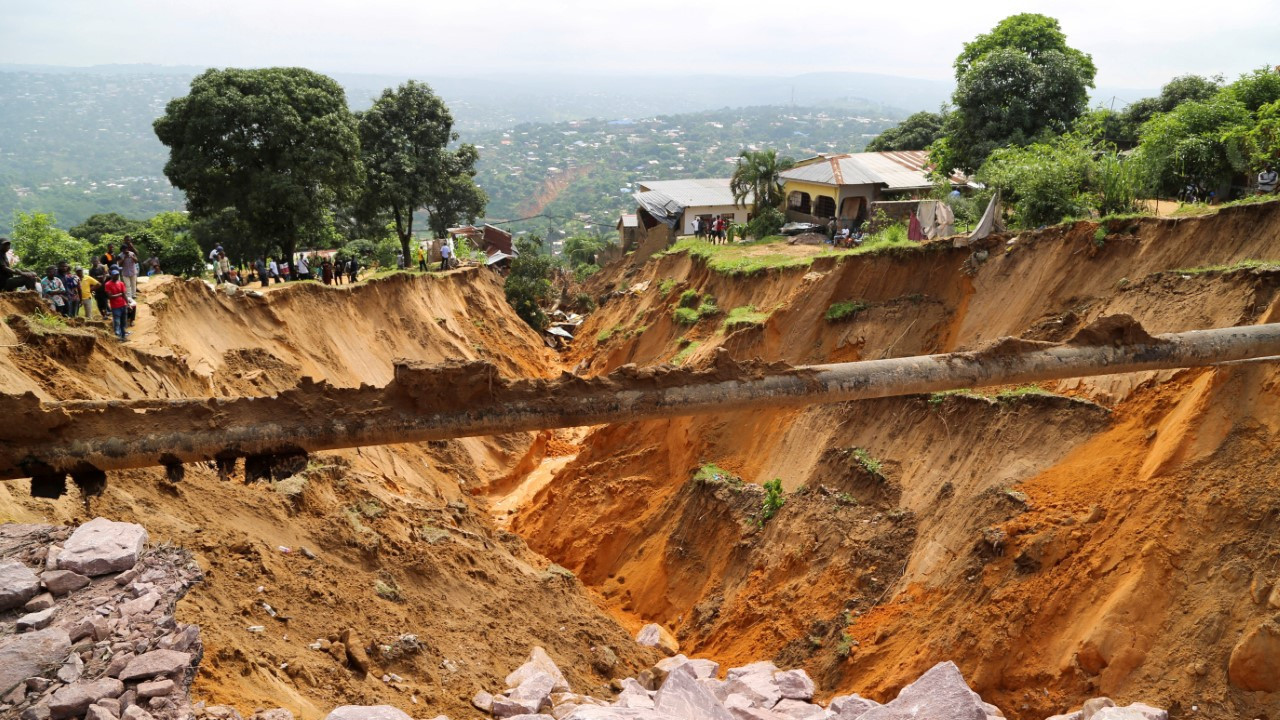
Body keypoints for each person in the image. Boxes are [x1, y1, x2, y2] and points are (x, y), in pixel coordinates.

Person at [104, 268, 129, 341]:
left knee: (123, 322)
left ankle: (123, 336)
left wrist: (128, 303)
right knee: (117, 322)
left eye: (117, 275)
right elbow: (110, 296)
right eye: (115, 275)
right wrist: (120, 294)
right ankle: (118, 336)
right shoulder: (107, 284)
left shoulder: (121, 283)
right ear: (111, 275)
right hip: (115, 306)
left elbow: (124, 294)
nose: (117, 276)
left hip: (123, 305)